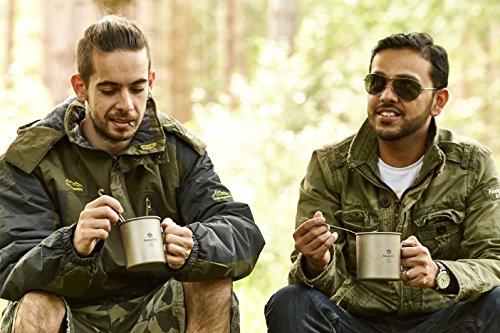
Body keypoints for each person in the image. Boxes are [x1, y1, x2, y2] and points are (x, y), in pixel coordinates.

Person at [0, 15, 265, 333]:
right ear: (81, 87)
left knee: (211, 278)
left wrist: (195, 244)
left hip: (156, 310)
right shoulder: (34, 157)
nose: (126, 105)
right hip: (73, 314)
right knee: (37, 303)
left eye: (137, 89)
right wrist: (71, 244)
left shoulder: (177, 151)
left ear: (151, 82)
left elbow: (242, 231)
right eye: (110, 90)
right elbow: (9, 266)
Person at [265, 32, 500, 332]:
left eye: (405, 86)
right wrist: (317, 261)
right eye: (377, 83)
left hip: (442, 321)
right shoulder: (329, 166)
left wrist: (439, 273)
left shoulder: (472, 164)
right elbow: (311, 282)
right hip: (354, 321)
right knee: (291, 302)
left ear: (438, 101)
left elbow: (493, 261)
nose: (387, 96)